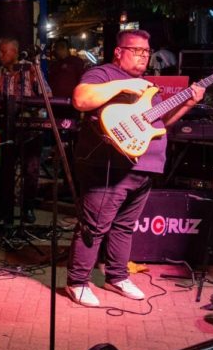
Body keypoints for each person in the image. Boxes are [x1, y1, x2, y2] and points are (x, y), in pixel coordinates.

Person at [67, 29, 204, 307]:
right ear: (119, 52)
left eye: (146, 51)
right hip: (110, 166)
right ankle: (77, 281)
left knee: (124, 227)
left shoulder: (147, 85)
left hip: (145, 167)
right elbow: (81, 99)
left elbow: (158, 124)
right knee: (94, 226)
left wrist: (189, 101)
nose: (143, 56)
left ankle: (117, 276)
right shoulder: (103, 74)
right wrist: (121, 86)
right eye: (137, 50)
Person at [0, 37, 49, 224]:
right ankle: (4, 209)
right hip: (9, 129)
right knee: (5, 170)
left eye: (4, 51)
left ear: (15, 52)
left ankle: (27, 208)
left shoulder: (30, 69)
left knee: (30, 171)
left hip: (30, 129)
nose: (0, 55)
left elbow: (47, 94)